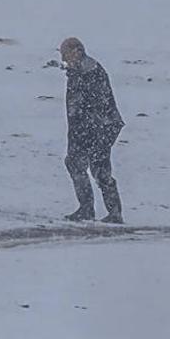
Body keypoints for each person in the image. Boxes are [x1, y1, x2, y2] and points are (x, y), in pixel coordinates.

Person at [59, 37, 125, 223]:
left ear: (77, 51)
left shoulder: (91, 71)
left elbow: (97, 104)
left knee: (99, 168)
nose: (64, 59)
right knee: (76, 164)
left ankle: (112, 212)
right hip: (86, 128)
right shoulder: (77, 71)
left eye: (66, 54)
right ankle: (88, 208)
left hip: (100, 127)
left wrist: (91, 130)